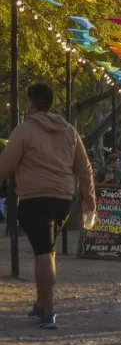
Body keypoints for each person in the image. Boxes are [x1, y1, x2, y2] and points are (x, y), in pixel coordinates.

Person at [0, 82, 96, 330]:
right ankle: (41, 303)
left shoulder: (25, 131)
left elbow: (5, 165)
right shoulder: (69, 131)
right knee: (47, 250)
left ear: (31, 103)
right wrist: (89, 202)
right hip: (64, 199)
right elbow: (84, 169)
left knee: (43, 252)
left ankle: (49, 312)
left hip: (34, 198)